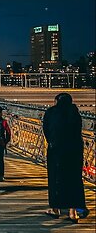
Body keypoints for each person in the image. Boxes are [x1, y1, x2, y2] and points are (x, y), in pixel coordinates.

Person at [43, 93, 88, 223]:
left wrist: (51, 142)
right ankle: (72, 212)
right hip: (74, 151)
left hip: (56, 150)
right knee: (74, 179)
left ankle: (55, 209)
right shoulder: (74, 112)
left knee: (55, 178)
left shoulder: (51, 112)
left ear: (57, 101)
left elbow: (46, 129)